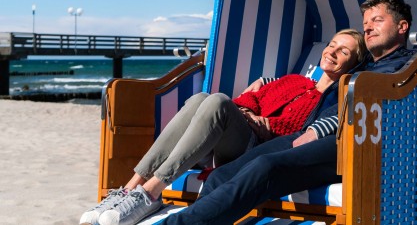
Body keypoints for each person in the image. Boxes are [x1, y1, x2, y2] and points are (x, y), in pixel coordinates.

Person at [161, 0, 417, 224]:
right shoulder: (365, 66)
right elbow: (306, 84)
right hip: (311, 133)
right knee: (221, 175)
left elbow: (362, 105)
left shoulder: (407, 69)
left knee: (266, 166)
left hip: (352, 143)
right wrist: (264, 82)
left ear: (402, 26)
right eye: (366, 23)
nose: (368, 27)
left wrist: (316, 131)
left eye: (377, 20)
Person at [82, 29, 367, 225]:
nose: (332, 52)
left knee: (217, 101)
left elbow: (290, 135)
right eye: (332, 44)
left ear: (353, 63)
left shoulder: (327, 101)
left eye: (343, 51)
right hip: (234, 135)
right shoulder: (293, 80)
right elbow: (249, 98)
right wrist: (247, 112)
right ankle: (131, 189)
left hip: (255, 147)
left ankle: (152, 192)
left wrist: (263, 124)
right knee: (200, 99)